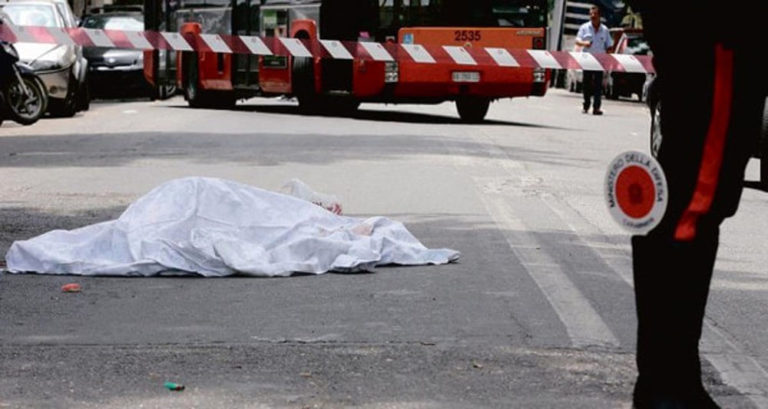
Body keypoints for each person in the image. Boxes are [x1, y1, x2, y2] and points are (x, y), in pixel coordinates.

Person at [626, 2, 766, 409]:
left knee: (695, 206)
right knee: (694, 208)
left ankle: (670, 378)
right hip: (718, 33)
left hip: (711, 34)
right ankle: (667, 383)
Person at [574, 5, 613, 115]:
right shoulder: (584, 27)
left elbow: (609, 45)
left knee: (597, 86)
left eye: (595, 14)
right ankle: (586, 105)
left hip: (599, 62)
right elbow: (577, 41)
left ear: (599, 16)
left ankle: (596, 108)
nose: (592, 16)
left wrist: (609, 54)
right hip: (587, 60)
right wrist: (584, 43)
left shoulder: (605, 30)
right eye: (591, 14)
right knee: (586, 85)